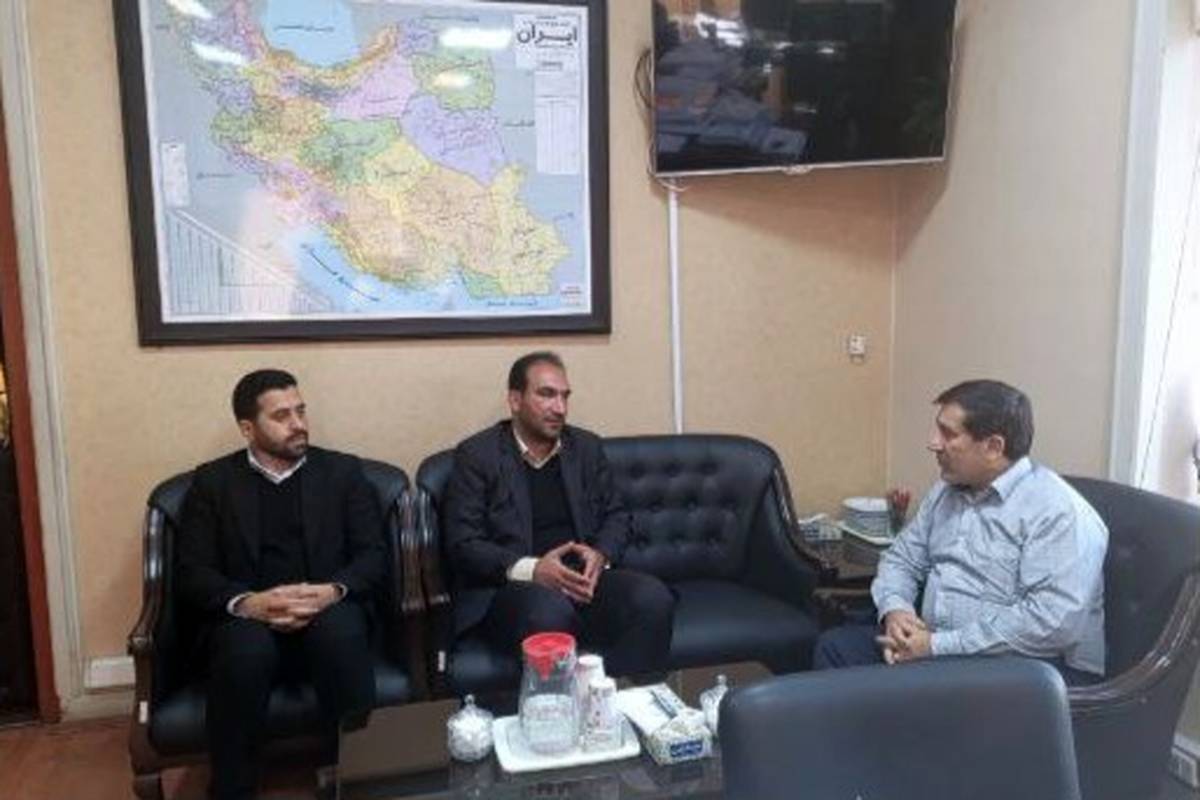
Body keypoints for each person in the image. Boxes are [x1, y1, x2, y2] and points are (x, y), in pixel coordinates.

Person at [813, 379, 1108, 685]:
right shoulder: (946, 491)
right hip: (938, 649)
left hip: (1024, 672)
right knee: (836, 649)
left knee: (906, 697)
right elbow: (901, 559)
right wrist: (897, 612)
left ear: (993, 447)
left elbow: (1051, 624)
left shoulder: (1058, 511)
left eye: (948, 434)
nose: (933, 443)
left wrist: (935, 646)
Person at [176, 369, 384, 800]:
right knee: (243, 650)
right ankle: (233, 787)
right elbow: (193, 571)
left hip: (326, 606)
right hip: (249, 617)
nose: (298, 424)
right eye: (282, 416)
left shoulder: (343, 473)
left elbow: (374, 555)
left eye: (301, 411)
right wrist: (249, 603)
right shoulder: (213, 483)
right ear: (247, 428)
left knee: (341, 634)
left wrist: (331, 591)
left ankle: (355, 780)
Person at [443, 351, 675, 677]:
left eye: (565, 396)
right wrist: (534, 569)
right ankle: (562, 709)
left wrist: (600, 554)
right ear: (515, 400)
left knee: (653, 599)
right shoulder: (478, 455)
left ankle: (625, 700)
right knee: (548, 613)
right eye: (547, 394)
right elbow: (463, 544)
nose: (560, 408)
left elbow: (617, 515)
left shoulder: (586, 448)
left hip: (583, 581)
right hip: (514, 589)